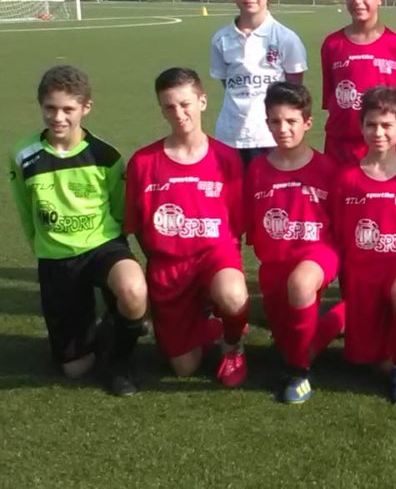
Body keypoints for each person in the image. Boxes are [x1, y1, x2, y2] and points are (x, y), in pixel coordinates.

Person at [8, 66, 148, 396]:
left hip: (102, 246)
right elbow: (26, 212)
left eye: (68, 109)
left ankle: (121, 362)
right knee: (75, 369)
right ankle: (108, 327)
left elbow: (118, 209)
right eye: (50, 108)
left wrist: (114, 246)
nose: (58, 117)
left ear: (86, 108)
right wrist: (43, 247)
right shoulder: (22, 155)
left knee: (133, 288)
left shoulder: (106, 156)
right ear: (41, 106)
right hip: (56, 257)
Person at [125, 68, 249, 386]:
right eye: (169, 106)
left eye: (185, 104)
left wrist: (224, 266)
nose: (179, 113)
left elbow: (235, 224)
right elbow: (138, 226)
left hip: (213, 257)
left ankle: (233, 345)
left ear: (202, 101)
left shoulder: (228, 158)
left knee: (233, 294)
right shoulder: (143, 162)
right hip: (169, 267)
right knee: (184, 368)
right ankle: (207, 321)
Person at [331, 86, 396, 404]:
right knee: (373, 364)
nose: (379, 132)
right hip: (363, 269)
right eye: (371, 125)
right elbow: (339, 231)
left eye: (387, 125)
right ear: (361, 127)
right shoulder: (346, 178)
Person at [244, 82, 340, 404]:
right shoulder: (257, 169)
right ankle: (345, 315)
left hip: (317, 255)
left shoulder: (327, 168)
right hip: (274, 264)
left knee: (300, 285)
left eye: (291, 121)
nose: (282, 129)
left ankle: (299, 375)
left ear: (307, 123)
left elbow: (339, 222)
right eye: (275, 121)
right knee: (292, 343)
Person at [209, 0, 307, 165]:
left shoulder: (286, 39)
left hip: (268, 138)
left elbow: (293, 92)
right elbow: (228, 84)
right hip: (230, 137)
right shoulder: (221, 39)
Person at [321, 0, 396, 165]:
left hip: (384, 149)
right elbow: (331, 100)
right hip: (340, 150)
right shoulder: (332, 44)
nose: (357, 1)